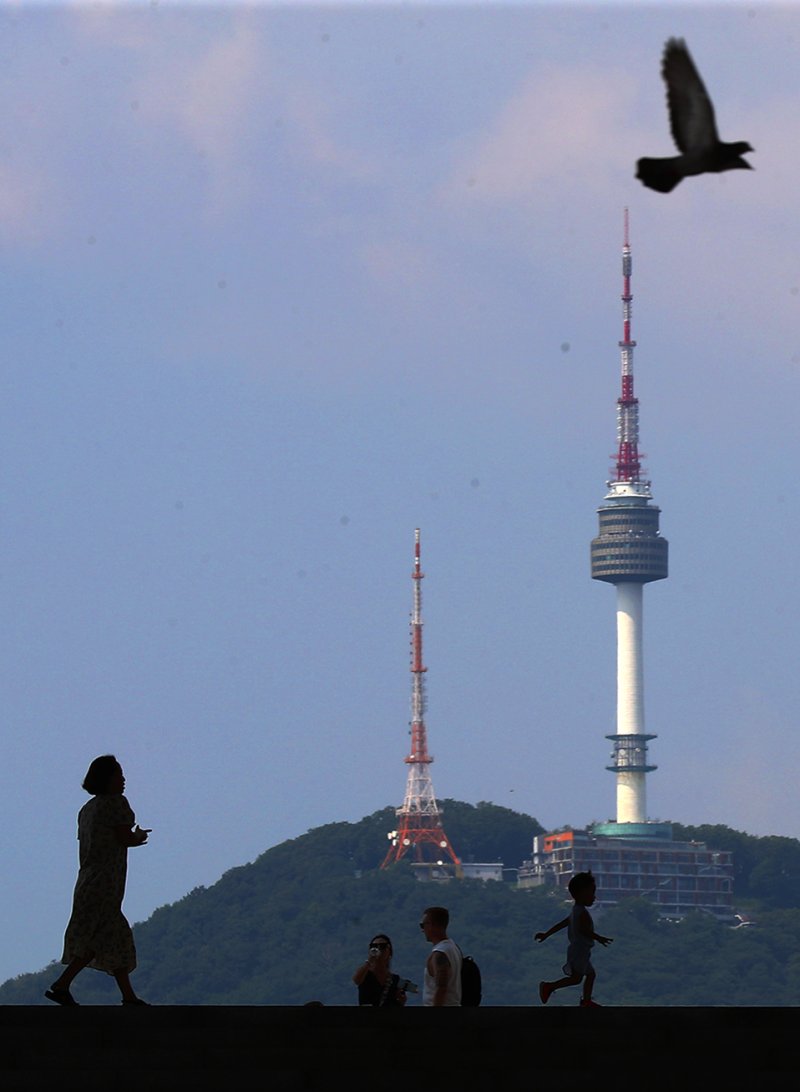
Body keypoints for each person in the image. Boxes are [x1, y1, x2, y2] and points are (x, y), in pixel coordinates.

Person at [45, 755, 152, 1006]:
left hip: (87, 881)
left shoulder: (87, 810)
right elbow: (124, 838)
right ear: (107, 779)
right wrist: (138, 837)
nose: (123, 780)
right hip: (107, 883)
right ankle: (63, 984)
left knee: (109, 936)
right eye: (119, 774)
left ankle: (127, 996)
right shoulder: (116, 804)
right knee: (104, 936)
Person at [535, 870, 613, 1007]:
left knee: (590, 975)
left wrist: (546, 934)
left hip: (580, 951)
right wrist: (599, 938)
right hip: (579, 951)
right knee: (577, 979)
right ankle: (549, 987)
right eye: (591, 893)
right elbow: (584, 930)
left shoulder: (576, 911)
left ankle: (586, 1000)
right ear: (582, 894)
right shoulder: (580, 912)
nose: (594, 897)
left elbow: (563, 924)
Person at [420, 905, 462, 1006]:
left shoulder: (440, 953)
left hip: (442, 1016)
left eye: (423, 925)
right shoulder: (454, 948)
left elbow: (441, 987)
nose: (422, 930)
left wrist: (435, 1017)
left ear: (431, 925)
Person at [351, 933, 408, 1007]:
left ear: (389, 952)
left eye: (382, 946)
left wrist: (402, 1001)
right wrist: (369, 961)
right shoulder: (365, 974)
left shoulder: (395, 979)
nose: (378, 949)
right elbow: (356, 980)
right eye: (373, 946)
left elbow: (415, 989)